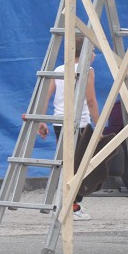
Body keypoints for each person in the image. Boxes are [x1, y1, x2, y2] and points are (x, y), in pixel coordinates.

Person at [36, 38, 100, 221]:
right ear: (87, 53)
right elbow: (91, 101)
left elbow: (45, 96)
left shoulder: (59, 70)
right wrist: (99, 125)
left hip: (59, 122)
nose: (95, 55)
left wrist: (42, 120)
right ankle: (72, 205)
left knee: (67, 163)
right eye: (93, 51)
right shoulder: (87, 70)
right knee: (79, 166)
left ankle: (63, 202)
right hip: (79, 124)